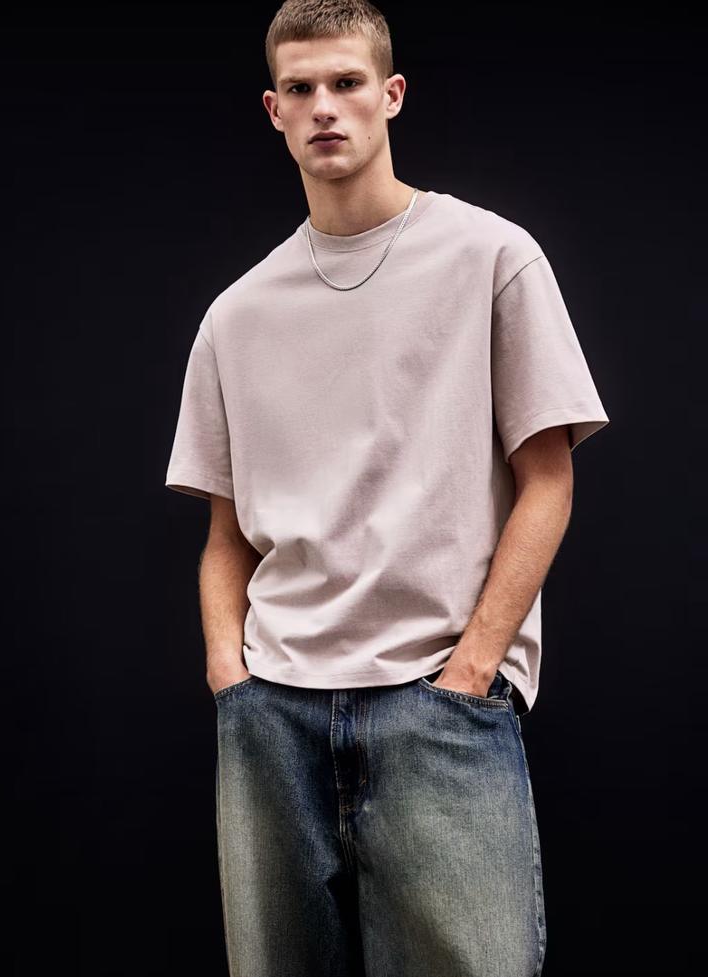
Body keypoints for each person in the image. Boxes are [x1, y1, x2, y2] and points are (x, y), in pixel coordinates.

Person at [164, 2, 610, 974]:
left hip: (438, 703)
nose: (325, 106)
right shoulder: (236, 316)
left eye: (347, 83)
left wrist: (473, 671)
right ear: (274, 110)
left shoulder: (492, 258)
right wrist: (229, 676)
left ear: (391, 95)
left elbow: (548, 478)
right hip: (271, 712)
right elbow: (226, 534)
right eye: (301, 88)